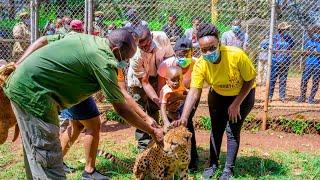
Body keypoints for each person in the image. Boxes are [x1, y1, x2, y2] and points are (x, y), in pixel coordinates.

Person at [5, 29, 163, 179]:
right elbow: (121, 109)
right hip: (34, 96)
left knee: (35, 154)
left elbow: (42, 40)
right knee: (48, 160)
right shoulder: (105, 62)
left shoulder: (84, 38)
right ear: (115, 50)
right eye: (124, 59)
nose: (125, 63)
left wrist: (18, 65)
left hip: (22, 85)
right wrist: (152, 131)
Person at [172, 23, 256, 180]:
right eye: (204, 50)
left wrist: (236, 104)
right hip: (218, 94)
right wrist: (184, 116)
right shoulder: (201, 65)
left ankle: (228, 170)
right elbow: (194, 92)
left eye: (212, 47)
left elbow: (250, 80)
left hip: (243, 95)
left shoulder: (236, 55)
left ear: (219, 43)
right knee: (216, 129)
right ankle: (212, 164)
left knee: (232, 130)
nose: (208, 52)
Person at [157, 37, 199, 171]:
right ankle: (167, 159)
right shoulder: (167, 65)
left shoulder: (198, 64)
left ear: (192, 52)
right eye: (180, 54)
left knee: (187, 126)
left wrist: (187, 110)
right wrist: (168, 112)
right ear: (175, 53)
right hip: (169, 103)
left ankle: (191, 160)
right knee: (170, 131)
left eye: (186, 53)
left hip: (188, 100)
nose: (183, 56)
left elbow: (195, 92)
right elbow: (162, 90)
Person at [130, 25, 174, 151]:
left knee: (154, 109)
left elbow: (168, 61)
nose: (145, 47)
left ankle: (155, 140)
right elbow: (144, 82)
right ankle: (143, 146)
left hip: (159, 75)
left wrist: (160, 94)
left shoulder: (162, 37)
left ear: (152, 36)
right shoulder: (135, 55)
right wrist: (156, 98)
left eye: (147, 43)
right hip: (139, 81)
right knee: (141, 111)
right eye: (141, 46)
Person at [269, 22, 295, 102]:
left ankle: (282, 97)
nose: (287, 30)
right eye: (286, 29)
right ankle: (270, 96)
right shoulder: (274, 37)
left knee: (283, 79)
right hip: (275, 61)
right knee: (273, 79)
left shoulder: (289, 38)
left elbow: (292, 45)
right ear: (281, 30)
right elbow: (267, 45)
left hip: (285, 61)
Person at [297, 26, 320, 104]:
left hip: (318, 65)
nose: (316, 34)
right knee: (304, 80)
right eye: (315, 32)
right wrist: (305, 53)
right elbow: (306, 52)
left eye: (318, 32)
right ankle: (302, 96)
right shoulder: (309, 41)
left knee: (315, 82)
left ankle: (311, 98)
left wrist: (317, 53)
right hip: (308, 64)